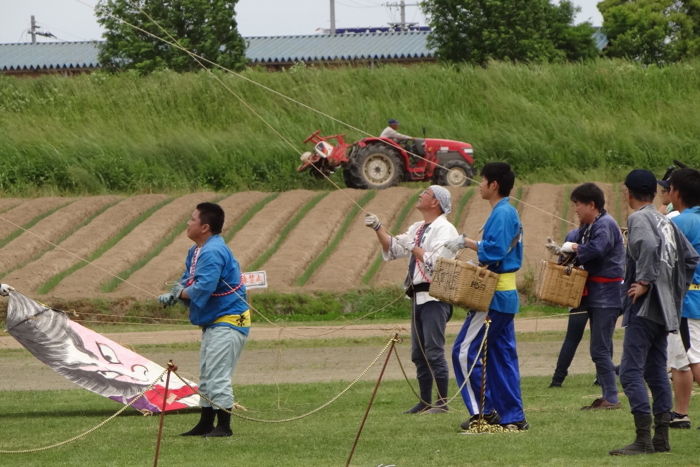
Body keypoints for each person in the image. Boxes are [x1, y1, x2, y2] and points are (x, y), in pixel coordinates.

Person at [609, 170, 698, 456]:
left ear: (628, 192)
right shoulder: (665, 219)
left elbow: (646, 246)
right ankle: (661, 437)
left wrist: (646, 282)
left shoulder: (639, 218)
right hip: (666, 309)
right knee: (656, 371)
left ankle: (643, 438)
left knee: (630, 373)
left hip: (644, 309)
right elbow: (690, 257)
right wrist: (674, 291)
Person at [445, 162, 528, 431]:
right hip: (504, 296)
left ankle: (484, 412)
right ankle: (513, 416)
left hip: (493, 297)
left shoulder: (502, 213)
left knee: (463, 352)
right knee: (501, 357)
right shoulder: (504, 211)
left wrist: (467, 242)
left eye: (482, 181)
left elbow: (494, 251)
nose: (479, 185)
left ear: (494, 185)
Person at [159, 202, 250, 438]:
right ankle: (206, 423)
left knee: (218, 375)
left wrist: (178, 294)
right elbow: (187, 280)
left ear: (205, 227)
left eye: (192, 219)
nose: (187, 224)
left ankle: (224, 427)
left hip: (229, 320)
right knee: (207, 375)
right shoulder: (197, 250)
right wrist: (176, 292)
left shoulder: (212, 252)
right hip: (214, 322)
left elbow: (202, 289)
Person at [364, 186, 457, 414]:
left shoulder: (445, 229)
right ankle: (425, 402)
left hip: (435, 297)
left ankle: (442, 403)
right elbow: (393, 248)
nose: (420, 195)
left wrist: (413, 248)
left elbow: (436, 261)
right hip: (417, 297)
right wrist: (378, 228)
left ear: (435, 202)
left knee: (434, 351)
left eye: (425, 193)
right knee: (418, 353)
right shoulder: (418, 228)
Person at [547, 183, 625, 413]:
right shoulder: (591, 226)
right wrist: (564, 249)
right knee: (599, 349)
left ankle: (613, 394)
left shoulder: (605, 225)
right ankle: (611, 391)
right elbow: (581, 243)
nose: (576, 210)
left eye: (578, 205)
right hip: (595, 295)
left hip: (607, 296)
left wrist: (573, 247)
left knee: (600, 348)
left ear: (592, 205)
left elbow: (596, 250)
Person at [667, 168, 700, 430]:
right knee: (682, 359)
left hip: (690, 301)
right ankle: (680, 413)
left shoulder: (679, 223)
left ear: (677, 192)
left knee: (694, 360)